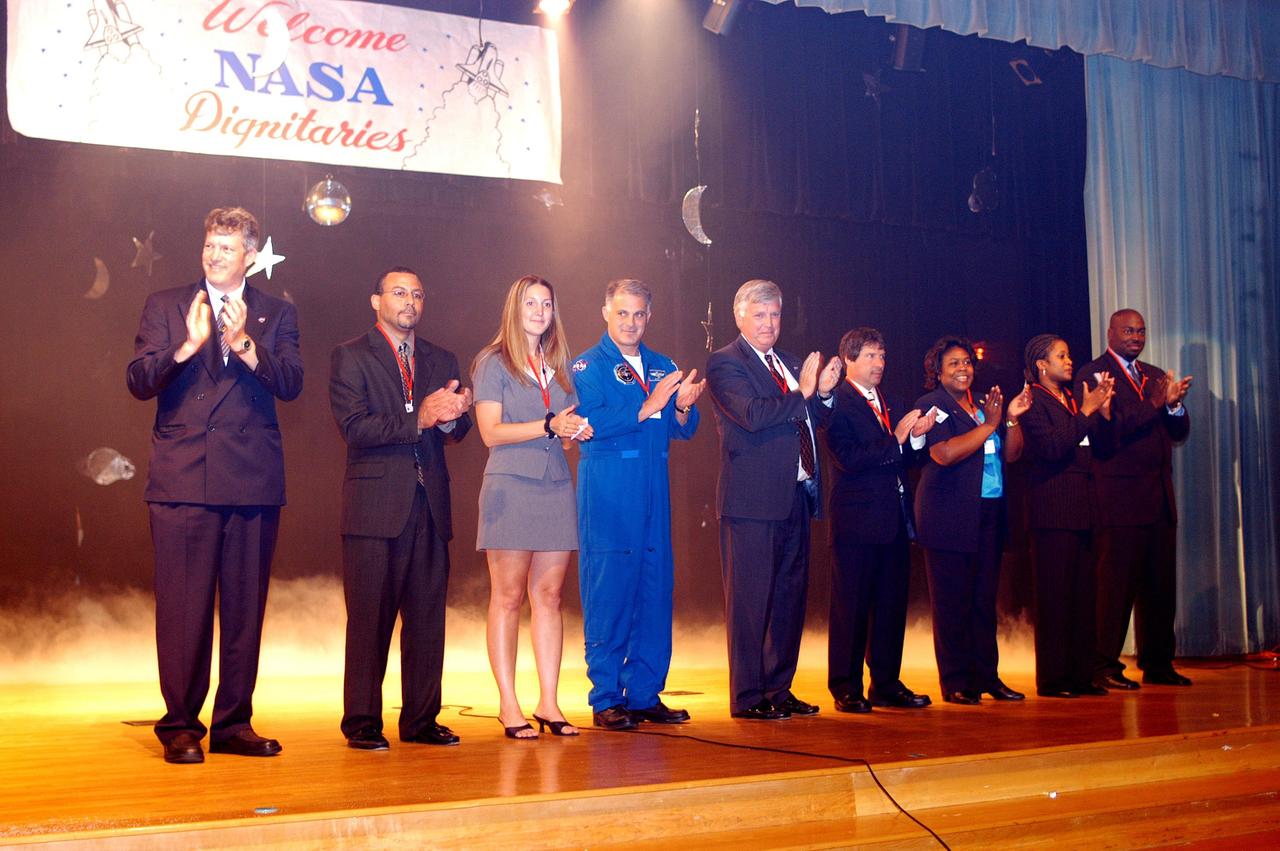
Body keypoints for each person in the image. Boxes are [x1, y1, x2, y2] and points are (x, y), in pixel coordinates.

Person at [126, 207, 303, 764]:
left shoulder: (277, 312)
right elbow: (137, 380)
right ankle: (180, 725)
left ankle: (234, 723)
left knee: (246, 609)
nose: (215, 255)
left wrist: (245, 343)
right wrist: (185, 346)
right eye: (210, 245)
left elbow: (293, 383)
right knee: (183, 609)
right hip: (182, 478)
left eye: (227, 248)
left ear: (251, 255)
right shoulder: (167, 304)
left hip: (251, 480)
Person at [329, 267, 473, 750]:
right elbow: (356, 428)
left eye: (417, 293)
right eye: (398, 292)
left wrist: (454, 419)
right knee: (369, 620)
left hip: (429, 504)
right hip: (374, 507)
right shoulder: (350, 356)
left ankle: (421, 720)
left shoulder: (441, 358)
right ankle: (363, 722)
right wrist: (423, 416)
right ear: (376, 301)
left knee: (428, 620)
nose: (409, 301)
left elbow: (458, 430)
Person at [571, 279, 704, 730]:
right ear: (605, 312)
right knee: (609, 594)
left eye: (639, 314)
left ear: (650, 316)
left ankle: (645, 693)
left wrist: (682, 407)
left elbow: (679, 428)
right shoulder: (587, 365)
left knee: (654, 592)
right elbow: (587, 419)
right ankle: (606, 696)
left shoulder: (663, 365)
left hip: (653, 493)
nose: (631, 322)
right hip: (609, 495)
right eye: (622, 313)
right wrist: (648, 406)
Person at [706, 279, 841, 720]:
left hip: (795, 498)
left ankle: (779, 689)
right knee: (750, 602)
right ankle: (747, 697)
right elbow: (754, 415)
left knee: (788, 599)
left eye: (775, 315)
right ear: (739, 316)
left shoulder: (789, 363)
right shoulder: (725, 363)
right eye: (759, 314)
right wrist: (803, 391)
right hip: (751, 504)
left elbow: (812, 417)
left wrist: (822, 392)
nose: (768, 323)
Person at [472, 275, 593, 739]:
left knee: (549, 598)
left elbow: (562, 432)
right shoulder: (493, 362)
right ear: (514, 308)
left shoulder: (560, 365)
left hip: (555, 486)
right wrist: (549, 424)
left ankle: (549, 701)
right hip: (510, 489)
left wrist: (572, 432)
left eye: (546, 303)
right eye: (530, 303)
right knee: (507, 598)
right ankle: (508, 704)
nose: (539, 311)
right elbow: (491, 432)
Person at [819, 327, 937, 714]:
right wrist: (897, 438)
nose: (879, 364)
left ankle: (885, 683)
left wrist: (916, 438)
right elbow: (848, 458)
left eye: (882, 356)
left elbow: (904, 459)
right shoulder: (837, 401)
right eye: (870, 356)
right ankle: (845, 685)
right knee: (851, 606)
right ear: (849, 360)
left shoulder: (887, 399)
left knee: (890, 605)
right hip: (856, 520)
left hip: (893, 519)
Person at [913, 336, 1030, 705]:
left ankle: (987, 676)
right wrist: (988, 425)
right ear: (937, 371)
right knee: (952, 603)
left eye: (967, 362)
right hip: (948, 515)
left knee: (983, 601)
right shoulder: (931, 405)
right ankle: (956, 681)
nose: (964, 369)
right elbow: (944, 454)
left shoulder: (984, 404)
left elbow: (1012, 455)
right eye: (954, 364)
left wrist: (1009, 419)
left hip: (989, 512)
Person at [1079, 309, 1193, 689]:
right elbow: (1108, 436)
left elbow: (1177, 432)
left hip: (1158, 498)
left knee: (1161, 588)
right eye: (1128, 330)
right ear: (1110, 332)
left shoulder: (1155, 374)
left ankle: (1159, 663)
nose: (1136, 337)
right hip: (1119, 499)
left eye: (1141, 331)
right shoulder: (1094, 374)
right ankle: (1103, 665)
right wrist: (1155, 405)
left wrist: (1174, 405)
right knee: (1114, 589)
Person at [1020, 334, 1115, 698]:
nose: (1069, 361)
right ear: (1041, 365)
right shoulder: (1033, 401)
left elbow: (1102, 449)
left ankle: (1080, 675)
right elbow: (1052, 448)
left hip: (1083, 510)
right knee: (1055, 598)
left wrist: (1102, 412)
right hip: (1052, 511)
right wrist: (1087, 412)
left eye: (1069, 354)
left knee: (1081, 596)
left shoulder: (1072, 398)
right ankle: (1054, 679)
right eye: (1061, 355)